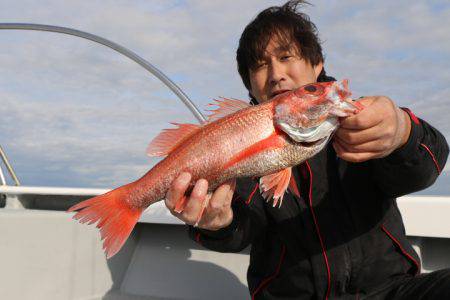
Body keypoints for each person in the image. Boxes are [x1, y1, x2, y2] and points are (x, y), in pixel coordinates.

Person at [164, 1, 450, 299]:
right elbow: (242, 227)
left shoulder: (363, 120)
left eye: (286, 56)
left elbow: (422, 171)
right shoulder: (241, 142)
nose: (276, 74)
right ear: (250, 85)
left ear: (317, 65)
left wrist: (403, 132)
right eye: (260, 65)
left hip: (390, 290)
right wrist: (218, 224)